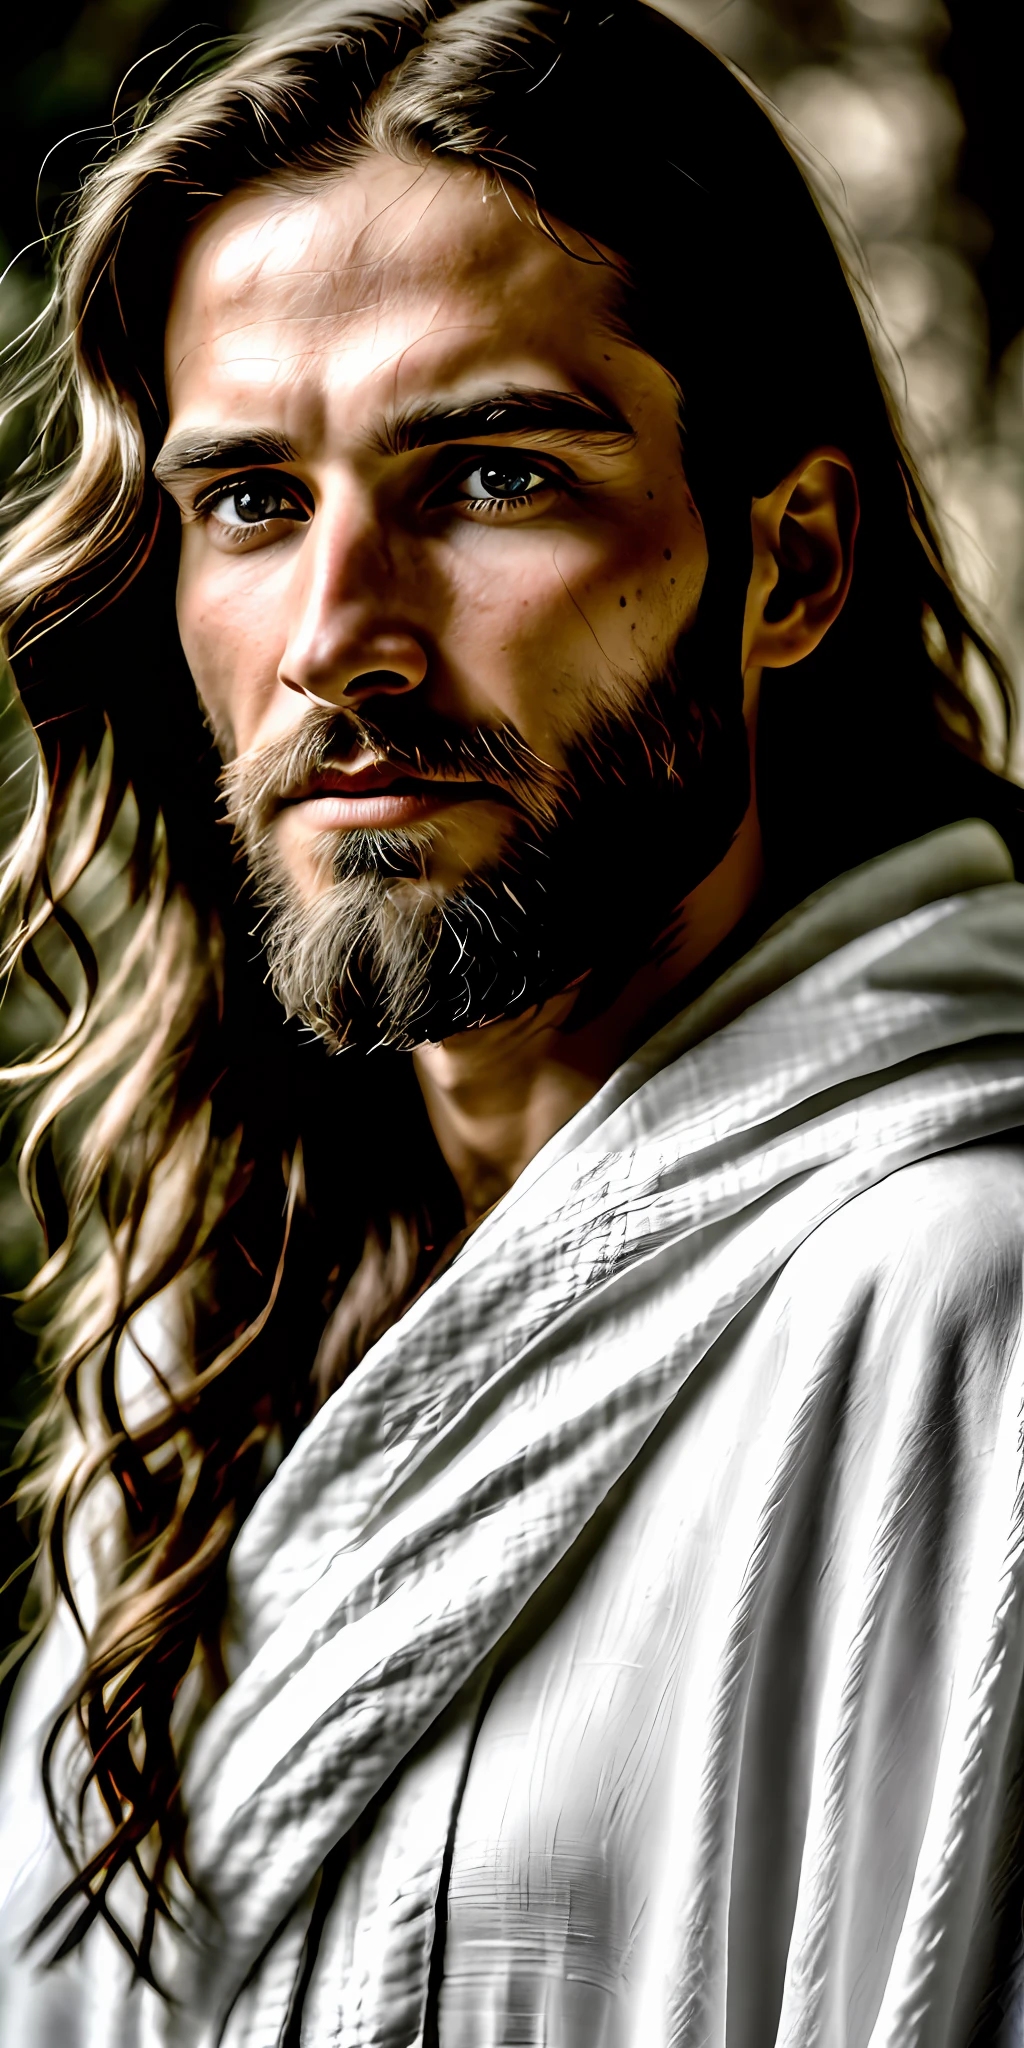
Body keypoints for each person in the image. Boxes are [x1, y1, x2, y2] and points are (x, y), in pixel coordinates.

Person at [3, 1, 1024, 2041]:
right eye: (251, 504)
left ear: (787, 563)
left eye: (484, 475)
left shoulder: (964, 1304)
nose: (336, 641)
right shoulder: (212, 1340)